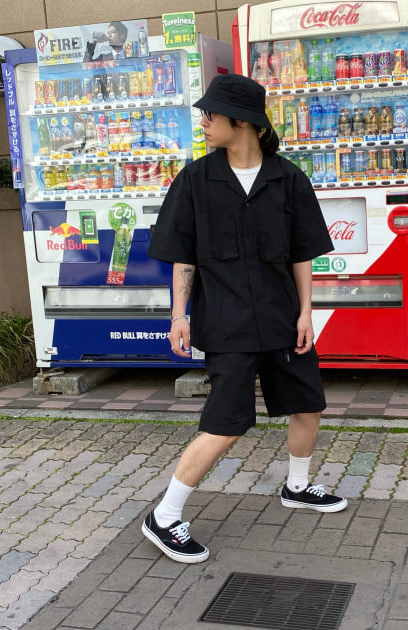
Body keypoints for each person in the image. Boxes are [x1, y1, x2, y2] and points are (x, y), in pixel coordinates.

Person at [143, 73, 347, 564]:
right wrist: (178, 316)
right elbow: (183, 257)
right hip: (227, 320)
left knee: (307, 403)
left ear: (243, 122)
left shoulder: (288, 179)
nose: (204, 121)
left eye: (211, 114)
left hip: (281, 317)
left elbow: (301, 254)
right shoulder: (195, 180)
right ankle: (164, 516)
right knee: (227, 423)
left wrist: (306, 313)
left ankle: (297, 486)